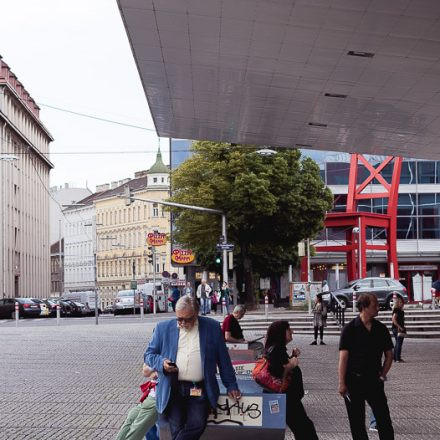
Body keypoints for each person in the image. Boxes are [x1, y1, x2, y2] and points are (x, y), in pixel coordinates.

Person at [144, 295, 241, 440]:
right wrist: (161, 363)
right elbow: (149, 355)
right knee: (176, 428)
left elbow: (223, 359)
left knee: (198, 423)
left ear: (196, 314)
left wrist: (231, 384)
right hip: (173, 388)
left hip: (198, 388)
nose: (182, 323)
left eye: (187, 319)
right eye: (179, 319)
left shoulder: (212, 327)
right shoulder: (162, 328)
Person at [338, 293, 394, 440]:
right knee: (357, 423)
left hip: (374, 381)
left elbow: (389, 354)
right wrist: (342, 383)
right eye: (374, 306)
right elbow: (343, 359)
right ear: (364, 307)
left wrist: (382, 374)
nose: (378, 308)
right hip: (353, 381)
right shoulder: (349, 329)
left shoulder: (381, 329)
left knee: (384, 420)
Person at [264, 320, 319, 440]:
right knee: (305, 430)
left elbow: (281, 367)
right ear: (280, 333)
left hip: (290, 399)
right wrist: (291, 365)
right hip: (287, 399)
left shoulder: (277, 349)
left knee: (304, 429)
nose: (292, 331)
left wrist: (292, 357)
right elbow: (278, 375)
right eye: (289, 330)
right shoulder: (276, 350)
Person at [115, 363, 159, 440]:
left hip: (159, 398)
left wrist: (159, 372)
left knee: (137, 429)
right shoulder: (153, 352)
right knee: (132, 417)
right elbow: (145, 371)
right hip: (150, 396)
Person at [391, 296, 405, 363]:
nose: (402, 303)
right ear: (398, 303)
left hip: (399, 328)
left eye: (402, 302)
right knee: (399, 343)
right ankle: (397, 358)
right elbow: (394, 319)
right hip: (397, 328)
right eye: (400, 302)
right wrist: (399, 326)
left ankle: (396, 357)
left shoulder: (400, 310)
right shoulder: (396, 310)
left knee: (398, 343)